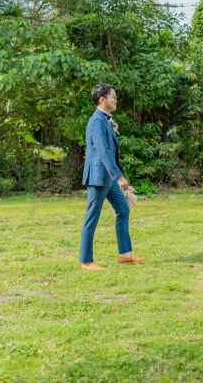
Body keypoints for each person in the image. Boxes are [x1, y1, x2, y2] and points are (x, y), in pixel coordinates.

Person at [79, 84, 145, 269]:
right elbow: (103, 151)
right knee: (91, 218)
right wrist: (119, 177)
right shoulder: (97, 121)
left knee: (123, 210)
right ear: (102, 99)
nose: (115, 100)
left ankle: (125, 255)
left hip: (108, 178)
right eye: (113, 97)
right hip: (99, 177)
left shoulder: (105, 120)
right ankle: (86, 261)